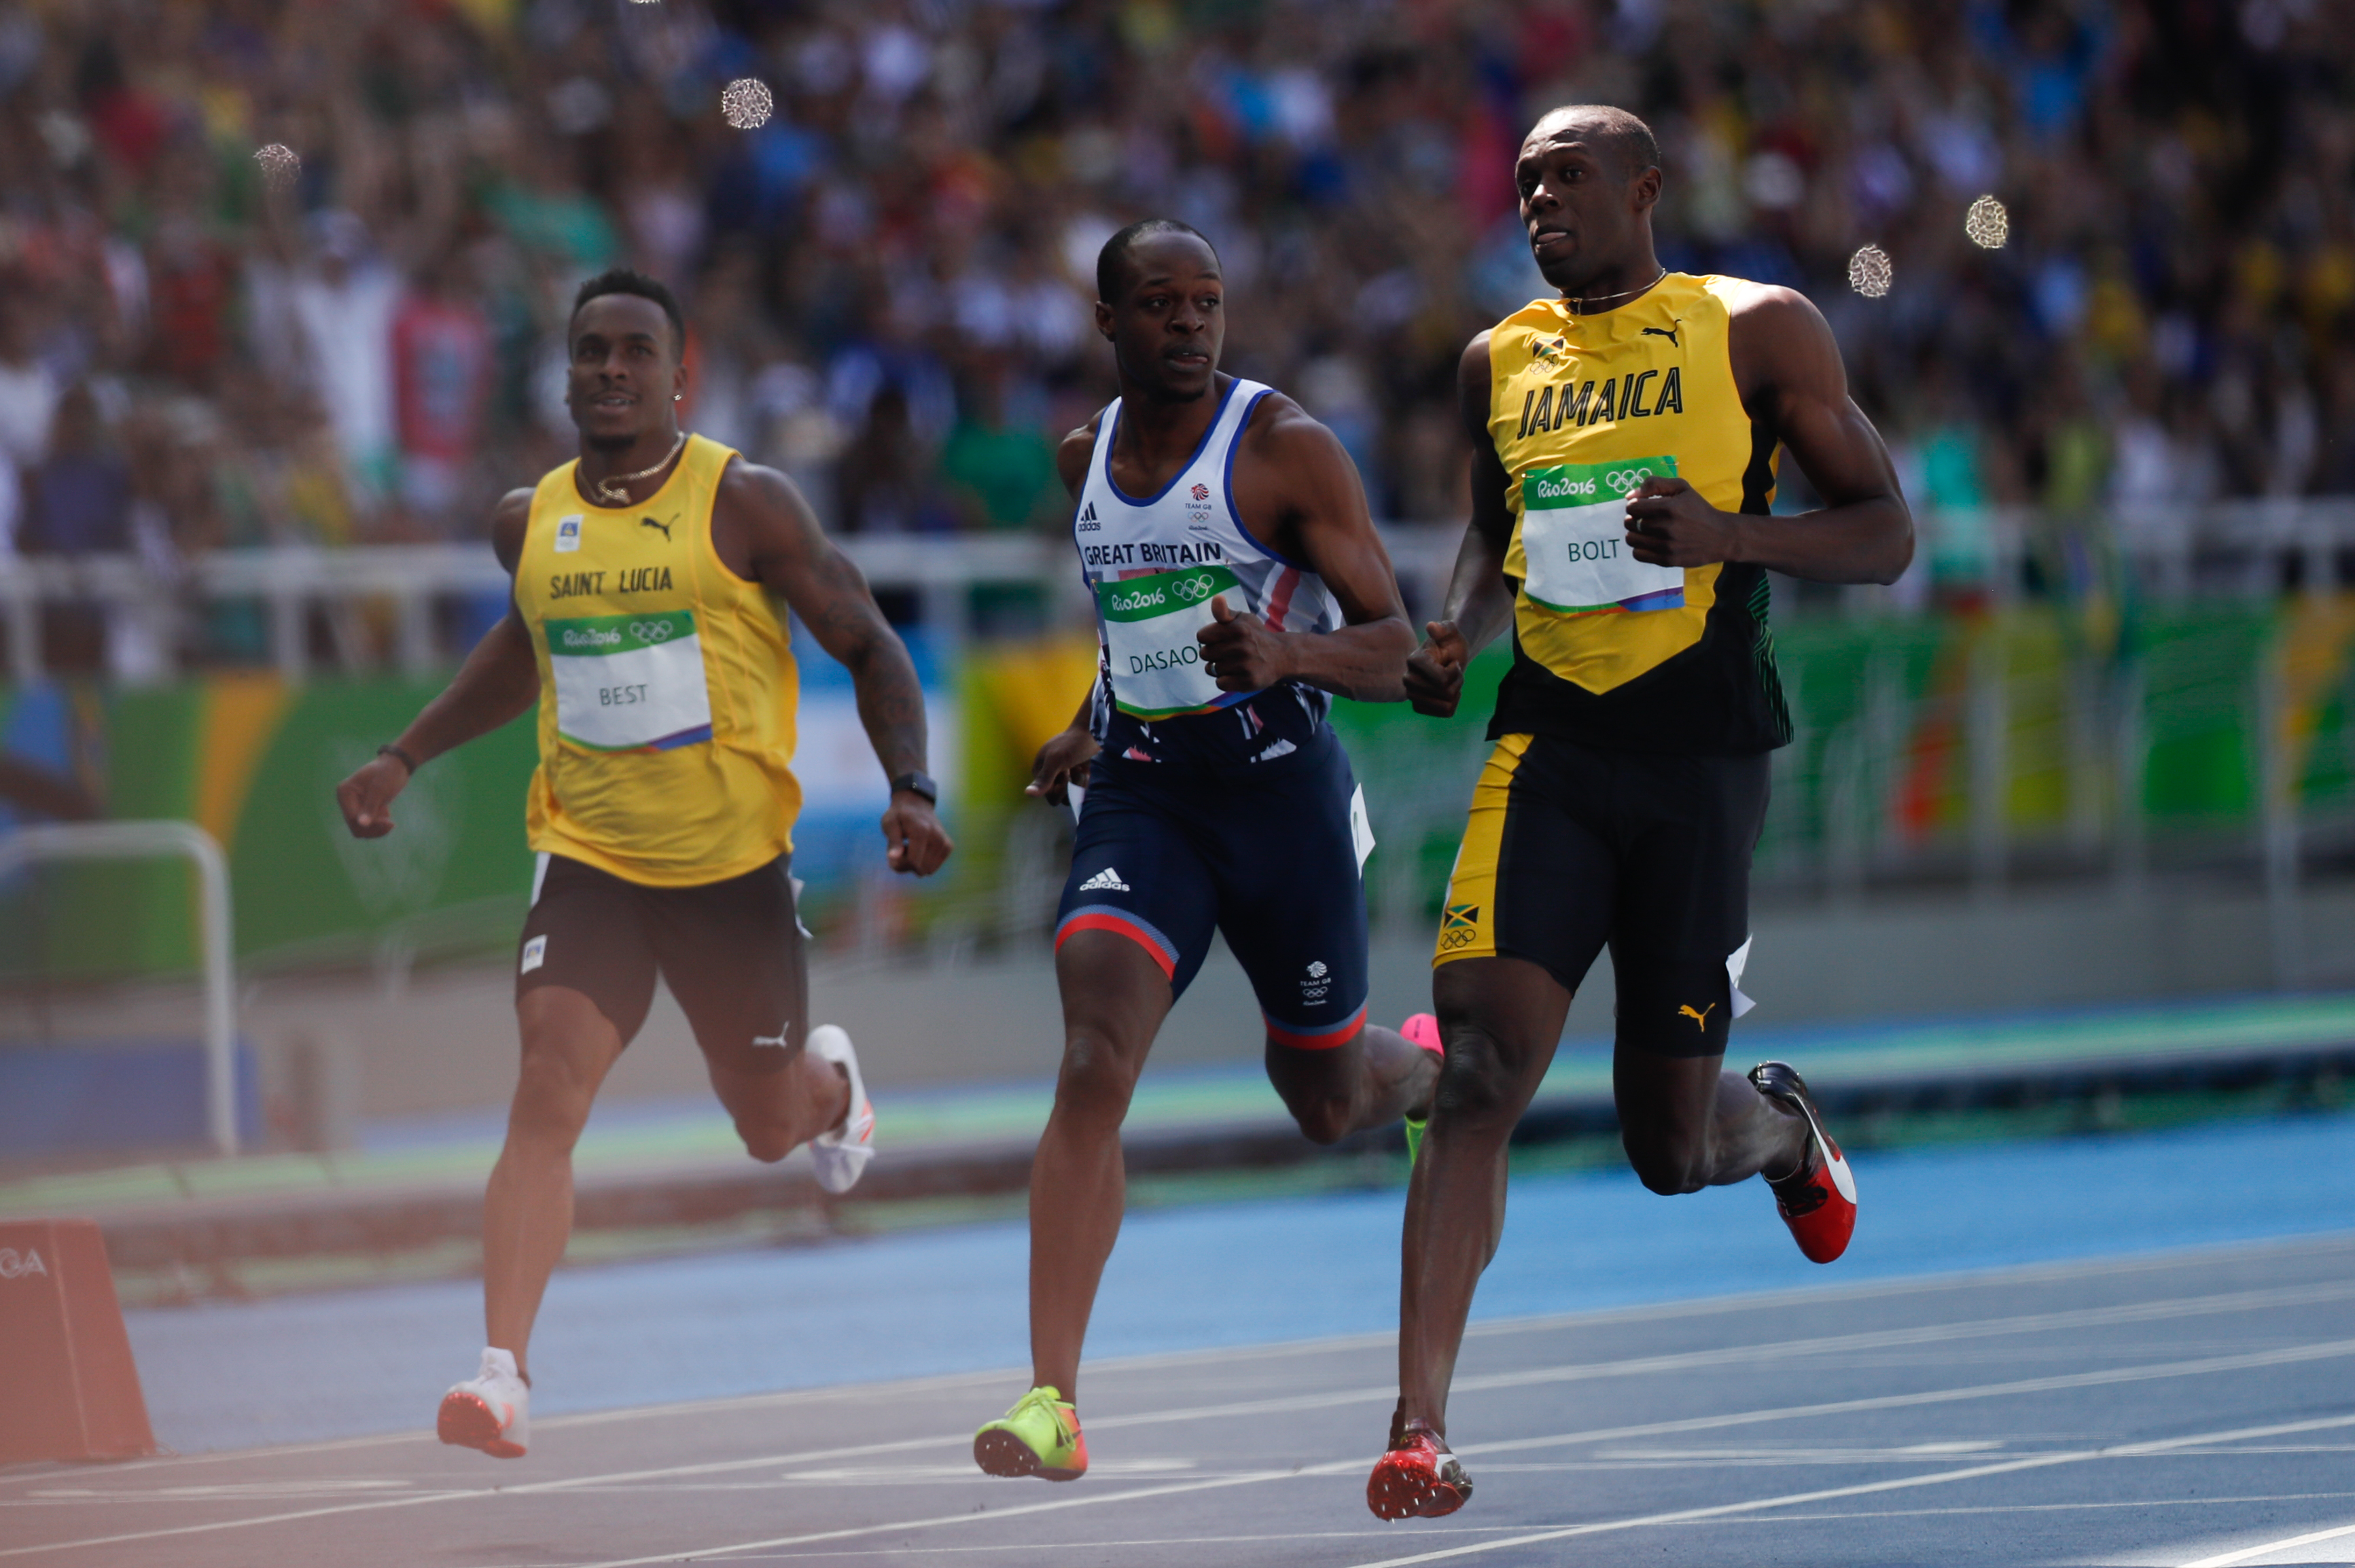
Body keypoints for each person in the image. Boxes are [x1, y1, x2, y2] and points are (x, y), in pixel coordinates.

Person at [1368, 107, 1913, 1520]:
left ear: (1645, 189)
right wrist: (1447, 628)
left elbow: (1884, 530)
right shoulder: (1499, 357)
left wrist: (1731, 534)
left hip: (1697, 759)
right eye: (1527, 180)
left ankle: (1783, 1128)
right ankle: (1418, 1428)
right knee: (1481, 1074)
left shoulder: (1756, 329)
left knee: (1668, 1147)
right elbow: (1493, 528)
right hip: (1545, 746)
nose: (1540, 199)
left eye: (1569, 178)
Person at [334, 268, 952, 1460]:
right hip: (591, 858)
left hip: (729, 876)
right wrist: (403, 757)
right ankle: (500, 1373)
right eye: (589, 352)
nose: (610, 369)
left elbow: (868, 643)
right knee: (547, 1084)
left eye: (633, 351)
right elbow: (525, 648)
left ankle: (833, 1092)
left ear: (682, 375)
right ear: (564, 375)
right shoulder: (529, 519)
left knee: (769, 1129)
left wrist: (911, 788)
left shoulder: (747, 504)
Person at [971, 219, 1440, 1483]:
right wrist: (1087, 722)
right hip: (1147, 797)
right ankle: (1051, 1401)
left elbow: (1400, 648)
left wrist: (1288, 655)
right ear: (1109, 326)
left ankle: (1418, 1075)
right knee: (1091, 1059)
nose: (1189, 323)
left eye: (1208, 303)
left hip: (1281, 794)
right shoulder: (1083, 459)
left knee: (1322, 1100)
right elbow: (1140, 623)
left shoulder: (1285, 450)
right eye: (1161, 304)